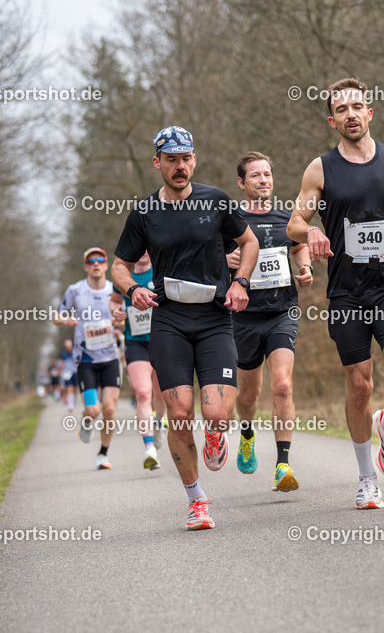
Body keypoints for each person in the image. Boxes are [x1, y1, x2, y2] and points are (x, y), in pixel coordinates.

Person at [112, 126, 259, 530]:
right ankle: (197, 501)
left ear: (194, 159)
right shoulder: (144, 213)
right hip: (170, 320)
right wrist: (132, 291)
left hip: (214, 318)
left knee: (216, 412)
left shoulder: (216, 201)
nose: (180, 167)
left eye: (186, 158)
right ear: (157, 163)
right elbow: (119, 266)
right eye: (172, 160)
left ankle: (216, 434)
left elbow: (250, 243)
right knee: (178, 414)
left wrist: (241, 283)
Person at [288, 78, 384, 510]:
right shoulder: (319, 169)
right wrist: (311, 229)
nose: (351, 115)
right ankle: (366, 480)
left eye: (358, 106)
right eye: (342, 110)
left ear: (371, 112)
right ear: (332, 120)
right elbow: (293, 223)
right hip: (346, 293)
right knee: (359, 384)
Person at [225, 151, 312, 491]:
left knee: (283, 385)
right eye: (256, 175)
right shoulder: (230, 221)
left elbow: (297, 245)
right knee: (248, 396)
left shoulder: (286, 218)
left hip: (282, 312)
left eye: (267, 174)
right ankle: (247, 433)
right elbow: (214, 258)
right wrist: (226, 258)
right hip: (244, 318)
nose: (263, 180)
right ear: (241, 183)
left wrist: (304, 267)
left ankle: (282, 464)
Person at [53, 247, 124, 470]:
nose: (96, 263)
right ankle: (86, 421)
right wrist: (65, 321)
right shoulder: (75, 290)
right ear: (86, 266)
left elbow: (123, 318)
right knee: (93, 411)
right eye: (91, 260)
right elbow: (57, 315)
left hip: (110, 358)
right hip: (86, 361)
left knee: (110, 409)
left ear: (105, 265)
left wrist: (119, 325)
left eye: (100, 260)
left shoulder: (115, 290)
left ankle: (103, 453)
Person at [110, 251, 163, 470]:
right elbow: (113, 303)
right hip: (136, 341)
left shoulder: (161, 270)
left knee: (162, 395)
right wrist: (117, 312)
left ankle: (158, 421)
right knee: (142, 392)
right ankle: (149, 448)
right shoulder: (123, 276)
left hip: (163, 339)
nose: (143, 253)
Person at [60, 339, 77, 412]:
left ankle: (74, 401)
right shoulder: (63, 354)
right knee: (69, 388)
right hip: (67, 373)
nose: (68, 348)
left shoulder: (75, 352)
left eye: (69, 346)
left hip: (75, 372)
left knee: (75, 388)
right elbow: (62, 363)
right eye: (67, 347)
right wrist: (61, 371)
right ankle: (70, 404)